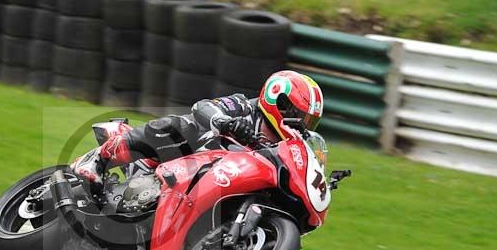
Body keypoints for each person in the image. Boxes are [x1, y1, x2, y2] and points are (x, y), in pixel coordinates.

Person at [72, 70, 324, 193]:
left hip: (212, 183)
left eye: (308, 121)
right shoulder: (244, 106)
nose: (301, 124)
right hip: (181, 158)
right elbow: (203, 107)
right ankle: (99, 159)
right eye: (299, 115)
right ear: (278, 101)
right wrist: (225, 122)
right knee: (180, 126)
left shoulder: (284, 146)